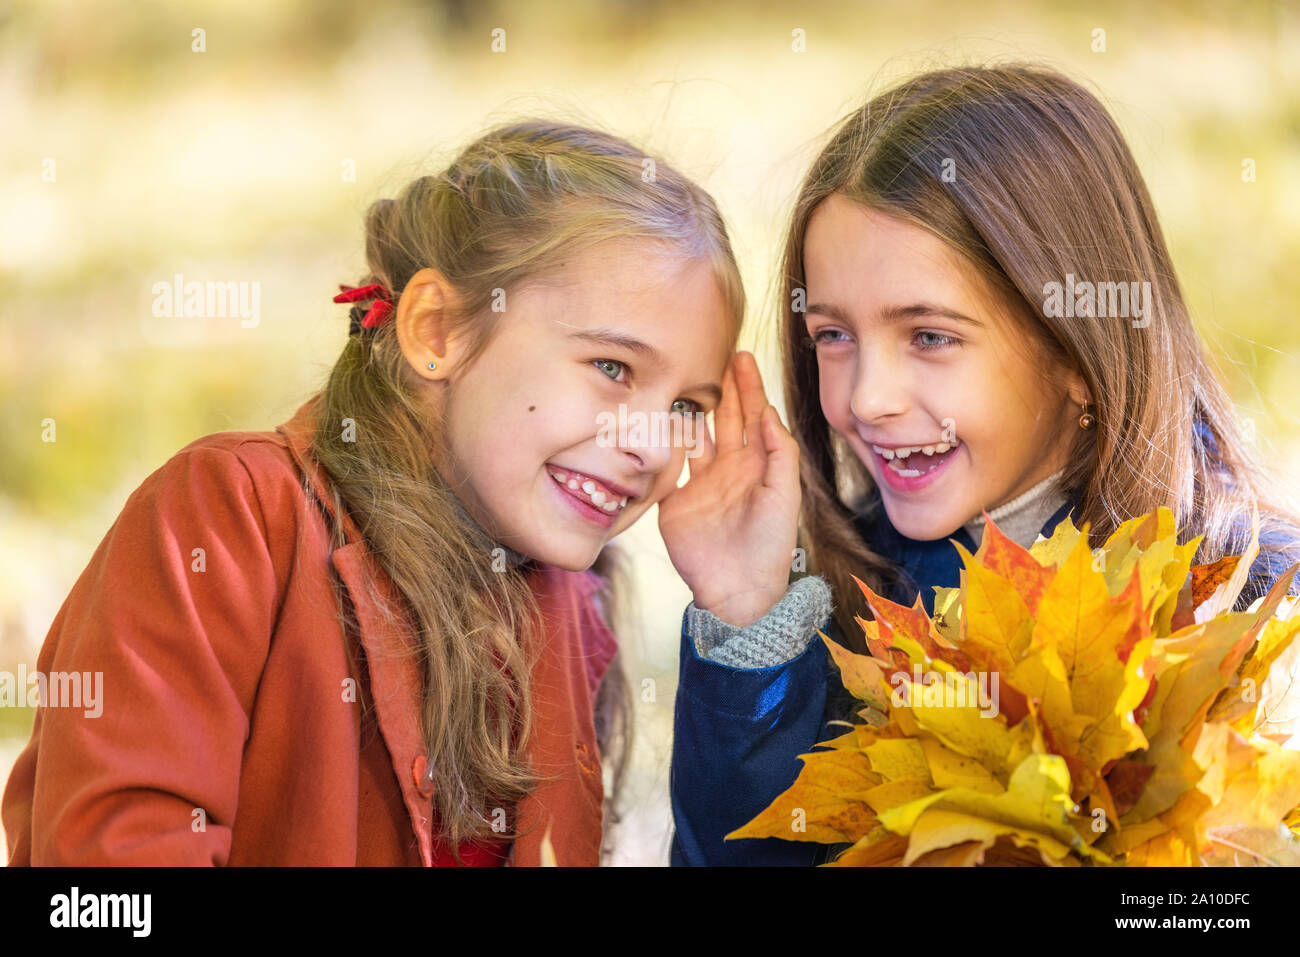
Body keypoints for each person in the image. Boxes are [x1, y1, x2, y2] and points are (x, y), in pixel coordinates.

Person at [3, 120, 744, 865]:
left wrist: (743, 612)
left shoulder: (569, 602)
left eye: (687, 407)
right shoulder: (229, 518)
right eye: (613, 367)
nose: (652, 444)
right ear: (436, 329)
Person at [659, 65, 1300, 866]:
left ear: (1077, 352)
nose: (869, 398)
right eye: (833, 334)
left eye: (930, 336)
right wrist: (747, 615)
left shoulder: (1251, 606)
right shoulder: (843, 602)